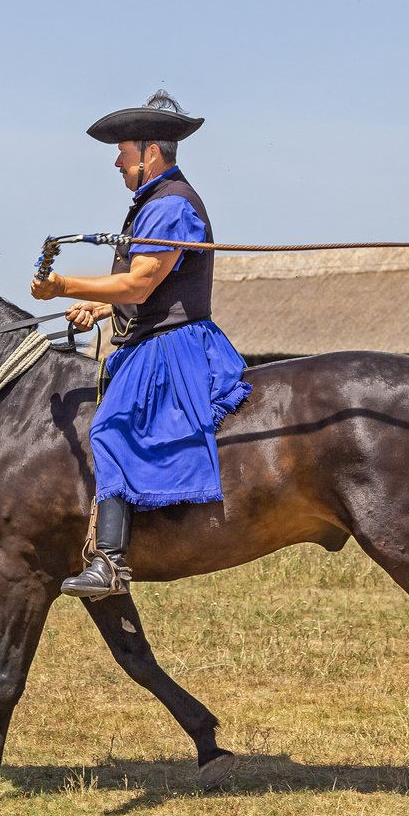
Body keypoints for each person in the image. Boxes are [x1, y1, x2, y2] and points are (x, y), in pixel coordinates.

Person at [31, 91, 251, 598]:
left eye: (123, 150)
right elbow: (147, 287)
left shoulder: (169, 205)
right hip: (155, 335)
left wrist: (65, 285)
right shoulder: (155, 203)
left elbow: (141, 283)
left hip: (171, 347)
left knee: (110, 427)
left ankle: (109, 562)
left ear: (151, 152)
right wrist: (103, 307)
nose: (116, 161)